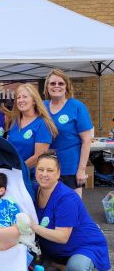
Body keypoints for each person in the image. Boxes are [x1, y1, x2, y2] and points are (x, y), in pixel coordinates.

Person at [31, 153, 110, 271]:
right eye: (40, 169)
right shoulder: (34, 189)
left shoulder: (66, 198)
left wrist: (32, 226)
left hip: (84, 245)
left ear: (58, 174)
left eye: (50, 170)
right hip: (57, 248)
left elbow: (62, 237)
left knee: (78, 267)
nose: (44, 174)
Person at [44, 69, 93, 197]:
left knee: (71, 206)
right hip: (47, 167)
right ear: (47, 87)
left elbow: (87, 139)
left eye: (61, 83)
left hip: (70, 166)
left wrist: (82, 170)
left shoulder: (77, 106)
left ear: (67, 87)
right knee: (48, 206)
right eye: (52, 83)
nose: (56, 86)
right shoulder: (42, 107)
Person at [7, 83, 58, 171]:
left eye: (25, 97)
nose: (21, 100)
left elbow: (39, 156)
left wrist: (19, 170)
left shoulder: (42, 124)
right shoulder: (15, 122)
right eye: (18, 97)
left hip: (30, 176)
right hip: (12, 173)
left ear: (34, 101)